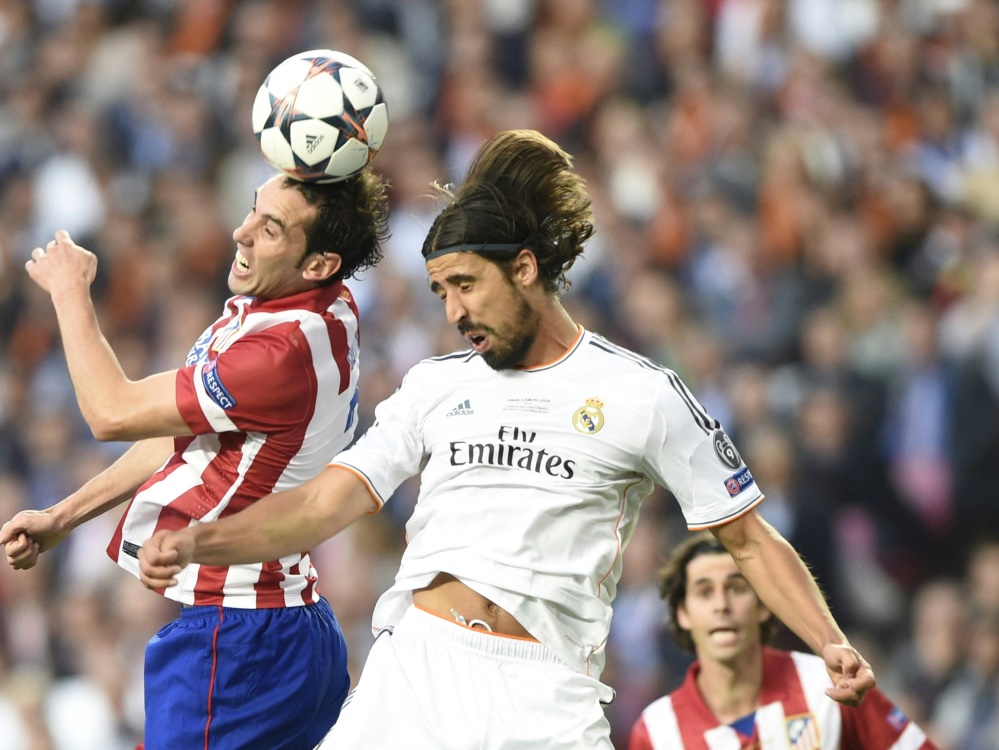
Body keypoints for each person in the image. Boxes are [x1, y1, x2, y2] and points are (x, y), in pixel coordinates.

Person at [137, 129, 874, 749]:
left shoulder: (642, 394)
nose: (453, 310)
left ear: (523, 268)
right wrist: (205, 539)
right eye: (439, 292)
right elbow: (324, 502)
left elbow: (746, 539)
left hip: (543, 694)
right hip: (415, 673)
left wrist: (828, 642)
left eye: (465, 284)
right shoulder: (434, 385)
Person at [0, 168, 390, 750]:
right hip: (296, 623)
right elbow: (176, 432)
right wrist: (65, 516)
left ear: (318, 263)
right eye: (253, 210)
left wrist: (69, 291)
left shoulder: (277, 354)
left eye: (271, 228)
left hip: (237, 642)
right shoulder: (323, 308)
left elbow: (111, 412)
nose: (241, 232)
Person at [628, 532, 939, 749]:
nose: (721, 605)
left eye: (736, 588)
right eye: (705, 592)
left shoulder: (828, 686)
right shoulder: (657, 732)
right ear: (683, 613)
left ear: (765, 604)